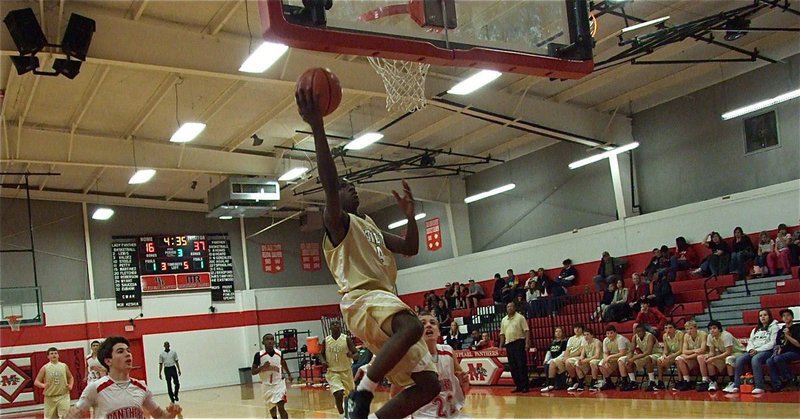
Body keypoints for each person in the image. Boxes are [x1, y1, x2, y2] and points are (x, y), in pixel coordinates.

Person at [298, 88, 440, 419]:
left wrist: (410, 216)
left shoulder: (370, 225)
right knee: (412, 326)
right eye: (347, 187)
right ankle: (361, 394)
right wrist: (317, 125)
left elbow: (410, 248)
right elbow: (330, 183)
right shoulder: (338, 223)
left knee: (428, 384)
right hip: (361, 300)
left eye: (353, 185)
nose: (352, 188)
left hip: (381, 303)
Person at [67, 336, 182, 419]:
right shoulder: (95, 388)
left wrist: (171, 414)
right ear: (108, 361)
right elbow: (74, 414)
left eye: (128, 351)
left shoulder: (141, 387)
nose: (127, 354)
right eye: (120, 351)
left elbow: (160, 416)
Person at [392, 312, 468, 418]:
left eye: (432, 323)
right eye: (423, 323)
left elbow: (462, 379)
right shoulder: (409, 358)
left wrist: (463, 380)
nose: (428, 325)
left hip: (451, 414)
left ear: (439, 332)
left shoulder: (448, 351)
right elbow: (394, 394)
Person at [723, 309, 778, 394]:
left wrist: (757, 350)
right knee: (739, 360)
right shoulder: (755, 329)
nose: (763, 317)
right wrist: (750, 349)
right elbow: (750, 341)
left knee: (755, 359)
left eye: (765, 315)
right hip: (753, 350)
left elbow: (772, 343)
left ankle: (759, 386)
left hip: (767, 351)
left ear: (769, 316)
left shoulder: (774, 327)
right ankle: (737, 385)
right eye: (761, 315)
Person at [321, 321, 358, 417]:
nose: (335, 325)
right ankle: (342, 416)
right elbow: (321, 354)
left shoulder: (346, 339)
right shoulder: (326, 340)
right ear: (330, 328)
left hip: (346, 371)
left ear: (340, 327)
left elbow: (356, 354)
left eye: (337, 323)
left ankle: (350, 411)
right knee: (338, 393)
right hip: (333, 372)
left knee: (350, 395)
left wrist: (352, 355)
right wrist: (323, 361)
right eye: (333, 324)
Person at [252, 333, 293, 419]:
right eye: (267, 339)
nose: (270, 341)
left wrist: (289, 374)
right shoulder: (258, 355)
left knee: (281, 407)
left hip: (279, 384)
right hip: (266, 385)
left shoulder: (279, 353)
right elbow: (253, 371)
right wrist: (263, 367)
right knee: (272, 408)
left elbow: (283, 362)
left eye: (271, 339)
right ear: (263, 342)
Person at [696, 321, 744, 392]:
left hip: (738, 353)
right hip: (724, 353)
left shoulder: (726, 336)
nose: (712, 330)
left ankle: (732, 382)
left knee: (729, 359)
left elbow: (728, 352)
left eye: (714, 328)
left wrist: (714, 358)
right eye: (710, 329)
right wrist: (707, 356)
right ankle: (713, 382)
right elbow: (712, 352)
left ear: (719, 329)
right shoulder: (710, 336)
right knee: (709, 360)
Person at [541, 324, 584, 392]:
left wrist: (568, 357)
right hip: (568, 357)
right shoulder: (571, 338)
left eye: (579, 328)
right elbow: (567, 349)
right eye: (575, 328)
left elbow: (580, 350)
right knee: (553, 362)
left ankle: (574, 381)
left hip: (576, 357)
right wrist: (566, 357)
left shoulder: (583, 338)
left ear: (582, 329)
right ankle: (551, 384)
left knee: (567, 361)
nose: (577, 330)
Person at [766, 308, 800, 391]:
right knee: (769, 360)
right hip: (784, 352)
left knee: (778, 358)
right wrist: (778, 349)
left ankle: (790, 379)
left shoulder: (797, 327)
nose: (786, 317)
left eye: (788, 315)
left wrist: (787, 336)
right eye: (784, 316)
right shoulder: (780, 331)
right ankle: (776, 384)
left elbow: (798, 344)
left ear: (792, 317)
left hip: (796, 351)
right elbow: (778, 344)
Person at [499, 302, 530, 393]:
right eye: (508, 307)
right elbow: (502, 334)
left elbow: (526, 331)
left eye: (511, 306)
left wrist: (527, 343)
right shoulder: (504, 320)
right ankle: (518, 385)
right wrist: (500, 346)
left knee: (521, 365)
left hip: (519, 342)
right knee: (513, 366)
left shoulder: (520, 317)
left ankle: (525, 386)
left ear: (514, 308)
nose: (509, 308)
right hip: (509, 344)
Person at [35, 347, 74, 419]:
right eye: (51, 353)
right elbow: (36, 382)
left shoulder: (64, 366)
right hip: (50, 397)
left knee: (65, 416)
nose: (54, 355)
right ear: (48, 356)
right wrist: (43, 385)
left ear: (58, 355)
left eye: (55, 353)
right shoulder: (45, 368)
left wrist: (71, 385)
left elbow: (71, 377)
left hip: (63, 396)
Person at [618, 324, 661, 391]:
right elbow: (632, 351)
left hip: (656, 354)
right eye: (637, 332)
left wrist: (634, 358)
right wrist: (629, 359)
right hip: (644, 355)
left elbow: (648, 352)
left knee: (648, 358)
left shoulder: (650, 336)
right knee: (628, 362)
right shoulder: (635, 337)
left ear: (644, 331)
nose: (639, 333)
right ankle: (633, 382)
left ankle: (652, 382)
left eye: (641, 331)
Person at [592, 325, 630, 391]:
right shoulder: (605, 340)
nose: (609, 335)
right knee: (601, 364)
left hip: (627, 355)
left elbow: (622, 353)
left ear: (615, 332)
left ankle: (625, 382)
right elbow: (605, 353)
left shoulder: (620, 339)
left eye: (611, 333)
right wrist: (605, 360)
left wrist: (609, 357)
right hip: (615, 356)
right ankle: (609, 383)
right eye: (607, 333)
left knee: (620, 361)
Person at [673, 320, 708, 391]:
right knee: (679, 358)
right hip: (693, 356)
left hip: (704, 356)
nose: (689, 331)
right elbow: (684, 351)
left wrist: (688, 356)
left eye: (691, 328)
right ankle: (687, 381)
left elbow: (702, 350)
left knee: (699, 357)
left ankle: (705, 380)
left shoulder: (703, 334)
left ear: (696, 328)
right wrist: (694, 351)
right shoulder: (686, 336)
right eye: (687, 329)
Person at [656, 321, 684, 390]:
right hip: (671, 354)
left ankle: (680, 381)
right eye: (666, 328)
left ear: (675, 329)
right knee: (659, 360)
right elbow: (666, 350)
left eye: (670, 328)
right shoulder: (665, 336)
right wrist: (664, 355)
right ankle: (660, 382)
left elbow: (681, 350)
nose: (668, 330)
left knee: (677, 359)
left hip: (680, 353)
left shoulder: (680, 334)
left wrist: (670, 357)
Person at [539, 326, 568, 392]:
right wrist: (546, 360)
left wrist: (554, 360)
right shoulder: (553, 342)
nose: (558, 333)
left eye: (560, 331)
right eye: (556, 331)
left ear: (563, 333)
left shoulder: (564, 342)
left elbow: (564, 353)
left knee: (553, 364)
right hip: (552, 359)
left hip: (560, 359)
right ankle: (549, 383)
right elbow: (549, 352)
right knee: (546, 365)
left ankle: (558, 384)